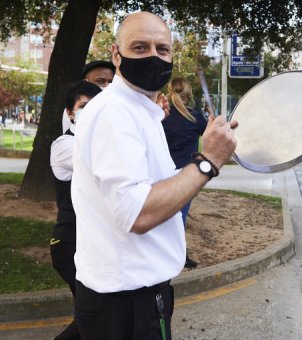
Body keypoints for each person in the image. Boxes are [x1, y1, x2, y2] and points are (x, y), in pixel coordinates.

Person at [71, 12, 237, 340]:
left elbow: (155, 187)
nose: (153, 56)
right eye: (140, 47)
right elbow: (139, 212)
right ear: (117, 55)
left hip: (126, 296)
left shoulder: (139, 110)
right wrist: (208, 162)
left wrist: (202, 162)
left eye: (162, 49)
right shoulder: (115, 113)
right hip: (129, 302)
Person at [50, 80, 102, 340]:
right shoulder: (63, 146)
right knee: (95, 316)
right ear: (70, 113)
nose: (90, 110)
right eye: (83, 106)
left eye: (95, 105)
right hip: (69, 242)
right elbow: (97, 159)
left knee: (93, 315)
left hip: (91, 244)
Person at [161, 77, 207, 269]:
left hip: (162, 171)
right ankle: (179, 257)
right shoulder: (194, 116)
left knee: (163, 215)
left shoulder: (162, 115)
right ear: (188, 95)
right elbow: (209, 135)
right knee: (180, 217)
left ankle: (166, 254)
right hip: (186, 174)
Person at [62, 61, 115, 133]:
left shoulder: (115, 104)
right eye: (100, 81)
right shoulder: (75, 109)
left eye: (110, 82)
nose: (107, 86)